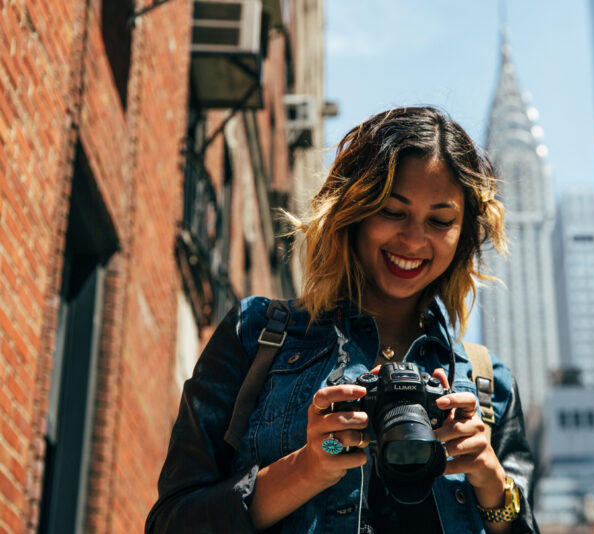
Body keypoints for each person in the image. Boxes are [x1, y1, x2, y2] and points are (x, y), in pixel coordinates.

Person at [146, 106, 539, 533]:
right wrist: (307, 468)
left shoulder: (488, 386)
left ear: (462, 235)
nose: (413, 239)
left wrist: (491, 482)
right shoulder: (256, 334)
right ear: (354, 208)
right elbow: (172, 524)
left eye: (440, 220)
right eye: (393, 211)